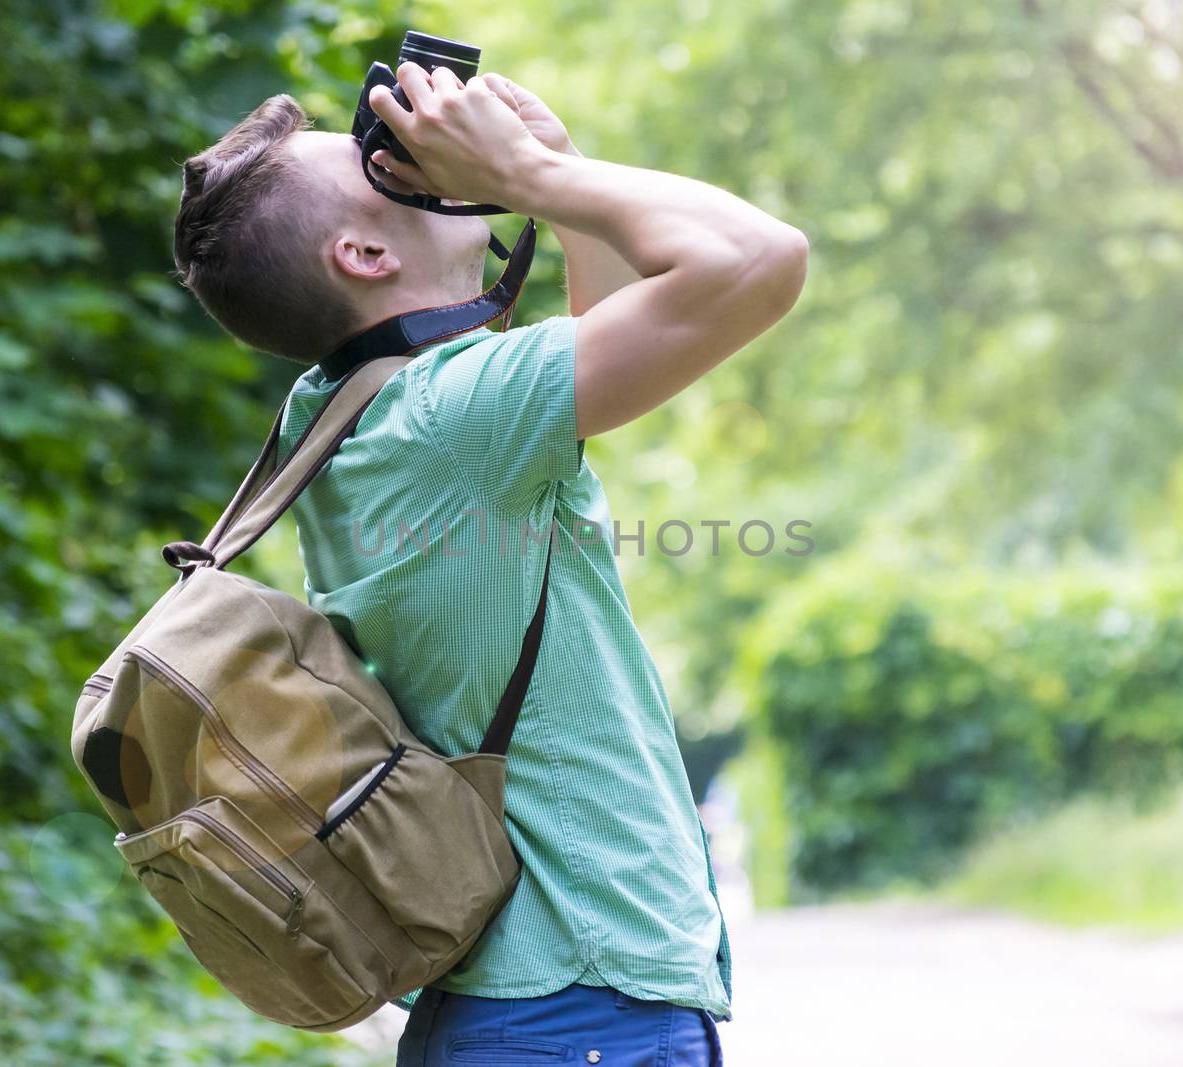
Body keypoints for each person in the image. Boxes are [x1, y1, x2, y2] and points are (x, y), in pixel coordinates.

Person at [171, 60, 806, 1067]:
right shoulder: (449, 416)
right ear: (365, 254)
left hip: (520, 1004)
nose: (418, 161)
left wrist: (556, 174)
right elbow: (762, 258)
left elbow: (616, 347)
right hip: (575, 1002)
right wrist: (535, 183)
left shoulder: (343, 409)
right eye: (387, 169)